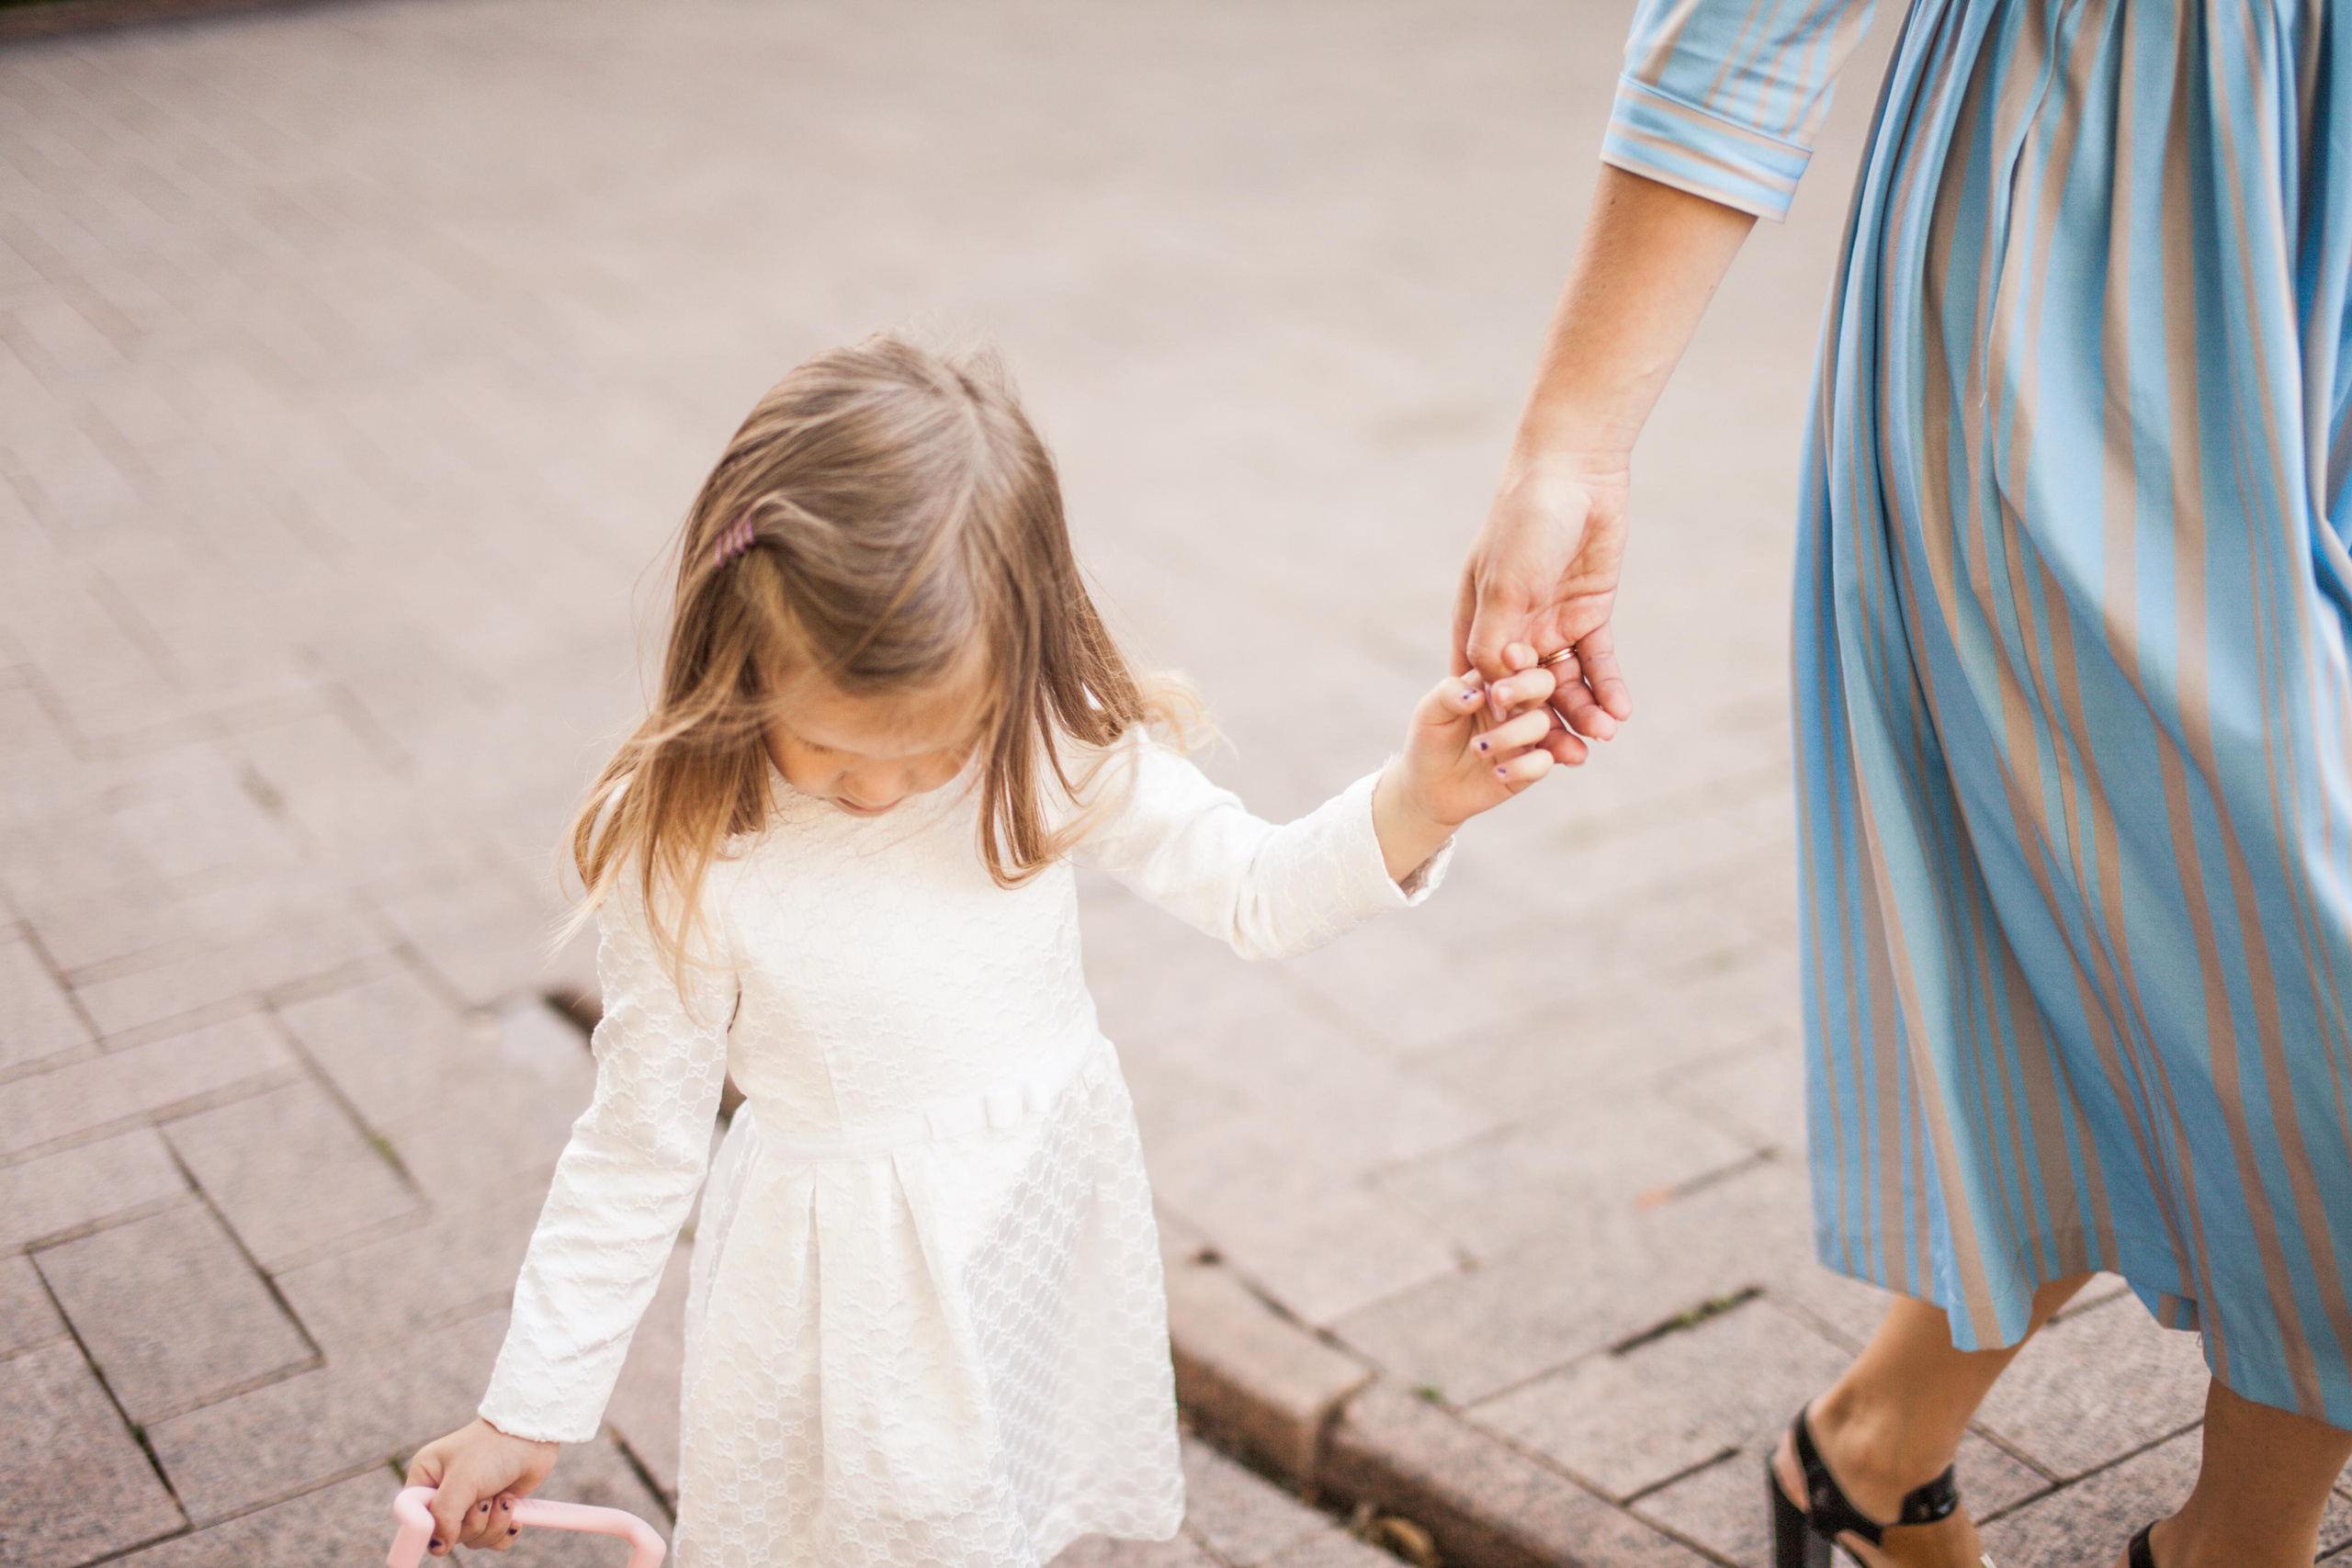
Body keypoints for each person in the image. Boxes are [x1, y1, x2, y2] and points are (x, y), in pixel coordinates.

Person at [405, 333, 1564, 1564]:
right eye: (830, 749)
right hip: (839, 1303)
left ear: (1011, 666)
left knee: (1001, 1518)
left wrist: (1419, 802)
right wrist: (528, 1405)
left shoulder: (1038, 746)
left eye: (927, 749)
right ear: (735, 655)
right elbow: (638, 1147)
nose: (881, 787)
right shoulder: (690, 853)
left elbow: (1259, 888)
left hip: (1024, 1241)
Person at [1454, 2, 2352, 1565]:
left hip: (2314, 228)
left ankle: (1876, 1449)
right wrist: (1572, 446)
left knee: (2131, 979)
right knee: (2278, 966)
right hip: (2109, 249)